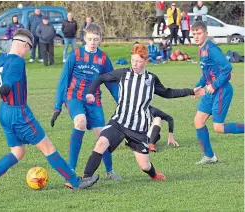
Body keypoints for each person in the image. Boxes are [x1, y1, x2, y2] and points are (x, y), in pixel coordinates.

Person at [0, 29, 99, 193]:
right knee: (48, 148)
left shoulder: (0, 60)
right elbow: (13, 75)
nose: (28, 52)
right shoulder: (18, 61)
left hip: (3, 112)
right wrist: (7, 85)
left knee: (18, 152)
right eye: (29, 48)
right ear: (25, 45)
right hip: (19, 114)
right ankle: (76, 182)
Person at [81, 44, 205, 186]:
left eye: (139, 61)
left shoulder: (151, 79)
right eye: (133, 60)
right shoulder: (123, 74)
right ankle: (86, 178)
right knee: (101, 142)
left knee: (145, 166)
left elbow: (168, 93)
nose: (135, 64)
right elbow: (100, 78)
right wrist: (90, 92)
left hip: (138, 128)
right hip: (119, 121)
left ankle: (154, 175)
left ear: (146, 61)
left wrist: (191, 91)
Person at [51, 23, 122, 188]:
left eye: (96, 39)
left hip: (94, 100)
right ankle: (71, 170)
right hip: (74, 97)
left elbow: (111, 82)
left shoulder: (103, 58)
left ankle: (110, 171)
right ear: (84, 38)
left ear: (100, 40)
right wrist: (57, 106)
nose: (92, 42)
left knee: (103, 135)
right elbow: (64, 79)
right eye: (89, 39)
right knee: (80, 122)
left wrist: (122, 102)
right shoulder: (75, 54)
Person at [192, 21, 244, 164]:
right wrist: (197, 86)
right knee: (198, 121)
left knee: (218, 128)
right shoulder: (201, 50)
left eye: (199, 33)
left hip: (221, 90)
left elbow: (227, 68)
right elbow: (206, 73)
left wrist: (214, 86)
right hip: (211, 90)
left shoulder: (211, 49)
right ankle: (209, 156)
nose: (196, 36)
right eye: (194, 34)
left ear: (206, 34)